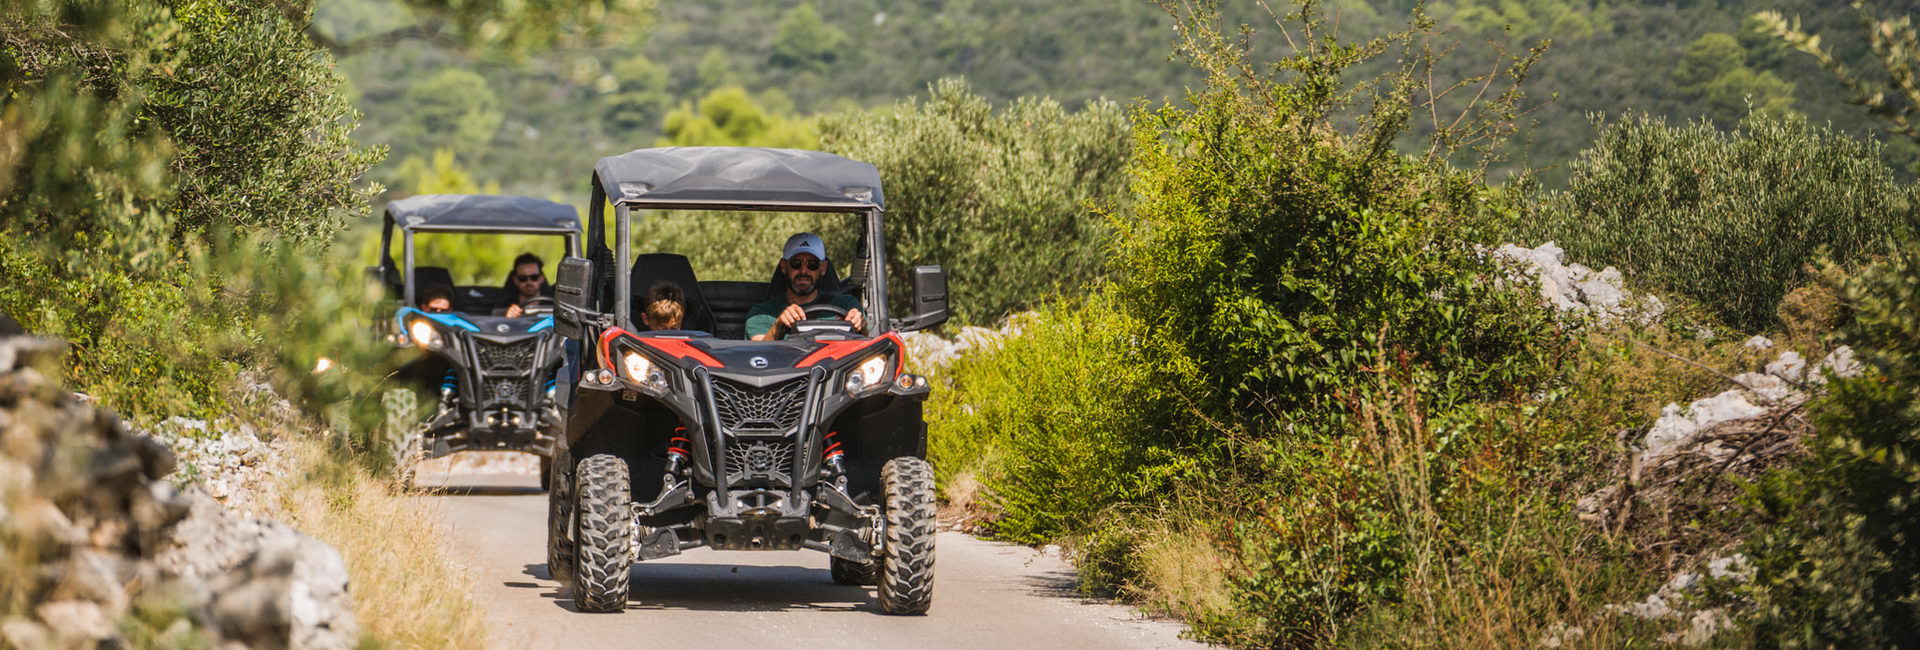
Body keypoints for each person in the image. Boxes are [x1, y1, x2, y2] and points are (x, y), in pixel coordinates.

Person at [748, 232, 862, 340]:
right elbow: (757, 352)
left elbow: (871, 342)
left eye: (812, 264)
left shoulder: (846, 305)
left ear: (823, 268)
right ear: (783, 266)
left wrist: (859, 324)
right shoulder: (763, 313)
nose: (803, 271)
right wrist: (778, 325)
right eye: (796, 263)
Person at [497, 253, 551, 317]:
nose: (529, 282)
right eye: (523, 278)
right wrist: (507, 319)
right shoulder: (504, 309)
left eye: (534, 277)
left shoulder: (555, 306)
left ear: (541, 279)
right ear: (515, 280)